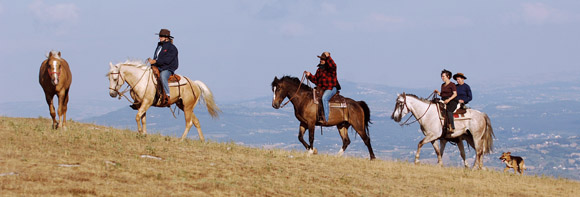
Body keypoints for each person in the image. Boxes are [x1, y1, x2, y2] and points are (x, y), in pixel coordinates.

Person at [305, 52, 340, 124]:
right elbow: (316, 80)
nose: (321, 60)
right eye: (321, 59)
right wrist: (309, 75)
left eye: (323, 59)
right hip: (323, 89)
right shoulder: (319, 70)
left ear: (326, 60)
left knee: (324, 98)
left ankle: (326, 119)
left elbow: (333, 66)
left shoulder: (330, 69)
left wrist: (328, 57)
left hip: (331, 88)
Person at [148, 28, 179, 106]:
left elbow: (167, 60)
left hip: (168, 68)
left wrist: (155, 62)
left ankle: (167, 96)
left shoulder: (172, 48)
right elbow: (156, 57)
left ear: (166, 38)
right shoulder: (159, 46)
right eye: (159, 36)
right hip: (158, 66)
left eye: (162, 36)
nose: (160, 37)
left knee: (163, 76)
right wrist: (153, 63)